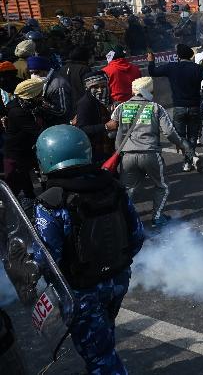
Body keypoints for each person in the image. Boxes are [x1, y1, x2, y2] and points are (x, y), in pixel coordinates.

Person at [32, 125, 144, 375]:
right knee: (104, 338)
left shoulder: (51, 203)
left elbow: (47, 258)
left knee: (100, 357)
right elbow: (137, 236)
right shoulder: (113, 187)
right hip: (117, 280)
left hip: (80, 291)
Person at [108, 77, 194, 228]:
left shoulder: (120, 107)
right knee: (162, 186)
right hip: (151, 154)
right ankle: (157, 218)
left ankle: (124, 221)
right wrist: (182, 145)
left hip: (127, 156)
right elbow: (169, 132)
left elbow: (111, 131)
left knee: (128, 190)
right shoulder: (156, 108)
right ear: (148, 91)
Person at [148, 44, 203, 171]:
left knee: (180, 137)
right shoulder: (198, 68)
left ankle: (189, 160)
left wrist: (151, 61)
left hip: (179, 106)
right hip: (195, 106)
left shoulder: (172, 67)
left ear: (178, 56)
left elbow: (153, 72)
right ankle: (191, 159)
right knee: (192, 136)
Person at [2, 79, 46, 199]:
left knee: (28, 183)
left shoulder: (26, 105)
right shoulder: (17, 112)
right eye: (39, 94)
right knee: (14, 187)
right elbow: (37, 131)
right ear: (31, 95)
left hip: (26, 151)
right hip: (16, 154)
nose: (41, 96)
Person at [75, 71, 115, 164]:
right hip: (96, 149)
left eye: (103, 86)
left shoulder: (109, 101)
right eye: (95, 87)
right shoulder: (85, 103)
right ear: (88, 88)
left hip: (110, 147)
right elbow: (82, 129)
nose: (100, 90)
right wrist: (106, 127)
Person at [27, 56, 74, 126]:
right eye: (31, 73)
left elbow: (62, 111)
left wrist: (43, 104)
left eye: (36, 72)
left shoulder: (58, 85)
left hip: (60, 125)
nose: (33, 76)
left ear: (45, 70)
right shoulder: (44, 80)